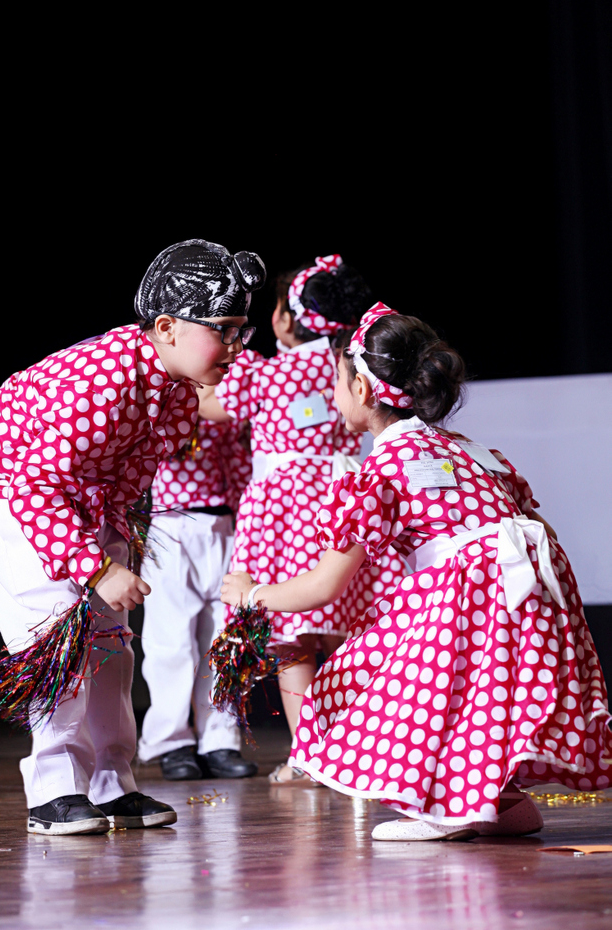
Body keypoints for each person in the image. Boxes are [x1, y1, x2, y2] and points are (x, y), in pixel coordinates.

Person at [222, 302, 612, 839]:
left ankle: (445, 805)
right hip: (534, 598)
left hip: (475, 592)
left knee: (385, 675)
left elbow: (323, 585)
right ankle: (496, 797)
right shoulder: (471, 450)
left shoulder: (384, 465)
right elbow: (530, 524)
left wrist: (251, 593)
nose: (333, 395)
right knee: (476, 690)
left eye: (337, 382)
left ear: (361, 390)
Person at [0, 239, 266, 835]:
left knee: (111, 642)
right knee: (58, 635)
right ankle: (54, 790)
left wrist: (113, 550)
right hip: (8, 487)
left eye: (241, 331)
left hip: (86, 497)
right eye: (223, 330)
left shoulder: (177, 389)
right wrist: (95, 568)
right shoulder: (104, 380)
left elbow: (125, 480)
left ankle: (111, 782)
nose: (235, 347)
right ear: (168, 327)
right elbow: (35, 485)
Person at [201, 258, 405, 783]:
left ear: (285, 318)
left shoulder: (262, 373)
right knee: (344, 632)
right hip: (343, 500)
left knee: (291, 637)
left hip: (283, 511)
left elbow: (210, 405)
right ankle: (361, 749)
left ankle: (310, 755)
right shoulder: (353, 366)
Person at [137, 413, 258, 780]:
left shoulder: (231, 406)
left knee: (226, 640)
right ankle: (171, 741)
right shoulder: (167, 407)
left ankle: (219, 739)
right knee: (171, 642)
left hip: (226, 524)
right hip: (173, 522)